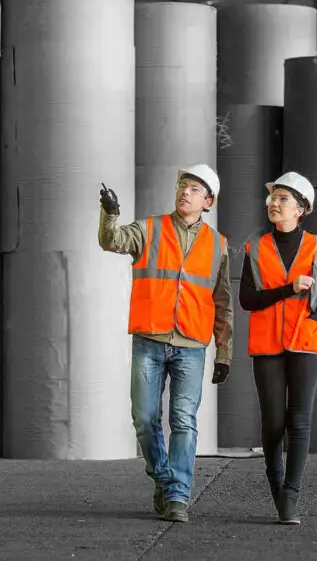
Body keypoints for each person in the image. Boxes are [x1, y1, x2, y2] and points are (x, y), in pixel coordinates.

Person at [97, 164, 233, 523]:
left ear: (208, 201)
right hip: (150, 339)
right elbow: (111, 241)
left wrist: (224, 351)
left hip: (191, 344)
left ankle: (177, 495)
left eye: (194, 189)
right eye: (182, 186)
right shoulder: (149, 229)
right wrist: (110, 214)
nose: (185, 192)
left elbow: (223, 302)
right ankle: (163, 476)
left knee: (184, 421)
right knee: (144, 418)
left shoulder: (218, 245)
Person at [238, 171, 317, 525]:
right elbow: (247, 300)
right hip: (266, 345)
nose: (274, 203)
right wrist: (288, 289)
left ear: (301, 209)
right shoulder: (254, 249)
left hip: (306, 345)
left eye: (283, 199)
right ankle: (276, 482)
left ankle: (291, 496)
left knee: (299, 420)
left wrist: (312, 323)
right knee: (273, 422)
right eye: (273, 198)